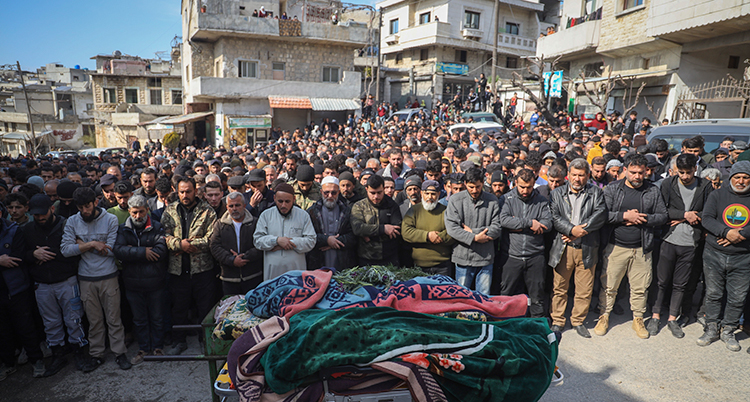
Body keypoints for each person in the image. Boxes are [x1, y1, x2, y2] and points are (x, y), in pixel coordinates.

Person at [595, 154, 668, 339]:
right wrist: (624, 216)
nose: (637, 177)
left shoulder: (652, 191)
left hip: (642, 248)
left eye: (641, 173)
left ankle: (638, 318)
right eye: (633, 172)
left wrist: (643, 218)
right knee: (609, 285)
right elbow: (602, 215)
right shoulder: (612, 189)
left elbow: (662, 216)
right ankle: (604, 315)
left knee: (640, 286)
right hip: (616, 246)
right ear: (624, 170)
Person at [60, 187, 131, 370]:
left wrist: (81, 244)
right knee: (94, 320)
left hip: (109, 276)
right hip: (86, 278)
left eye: (88, 206)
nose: (85, 211)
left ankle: (119, 352)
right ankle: (96, 354)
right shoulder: (72, 222)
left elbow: (111, 251)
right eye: (81, 207)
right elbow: (65, 250)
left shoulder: (110, 219)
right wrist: (92, 244)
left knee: (114, 318)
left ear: (95, 202)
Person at [22, 194, 92, 375]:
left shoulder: (66, 224)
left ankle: (79, 352)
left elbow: (76, 249)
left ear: (52, 209)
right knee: (50, 322)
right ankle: (57, 354)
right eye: (36, 215)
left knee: (74, 319)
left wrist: (49, 254)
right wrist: (33, 255)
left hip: (66, 280)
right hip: (42, 284)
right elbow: (21, 254)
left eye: (42, 214)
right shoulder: (28, 229)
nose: (40, 218)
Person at [649, 153, 712, 338]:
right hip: (669, 240)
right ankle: (655, 315)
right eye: (681, 172)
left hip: (691, 243)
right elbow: (662, 210)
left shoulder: (705, 186)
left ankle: (672, 318)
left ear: (695, 169)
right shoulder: (668, 184)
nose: (684, 176)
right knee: (661, 281)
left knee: (680, 284)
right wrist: (684, 215)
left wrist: (695, 216)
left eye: (688, 172)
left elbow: (708, 212)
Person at [548, 159, 607, 338]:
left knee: (584, 289)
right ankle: (558, 320)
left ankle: (578, 321)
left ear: (588, 176)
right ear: (568, 175)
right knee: (559, 287)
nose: (577, 179)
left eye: (581, 175)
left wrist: (581, 230)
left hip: (587, 247)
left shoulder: (596, 192)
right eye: (574, 175)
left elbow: (600, 214)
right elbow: (554, 216)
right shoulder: (557, 193)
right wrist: (570, 230)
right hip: (563, 247)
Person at [160, 177, 218, 356]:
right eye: (182, 191)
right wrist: (179, 245)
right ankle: (179, 341)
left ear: (196, 191)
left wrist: (188, 246)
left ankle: (205, 340)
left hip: (202, 269)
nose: (185, 195)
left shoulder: (207, 211)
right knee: (179, 307)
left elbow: (211, 238)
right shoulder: (170, 211)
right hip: (178, 269)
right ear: (176, 191)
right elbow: (164, 235)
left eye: (189, 191)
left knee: (205, 307)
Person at [696, 161, 750, 352]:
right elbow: (707, 218)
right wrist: (726, 232)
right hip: (714, 254)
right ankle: (711, 328)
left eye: (745, 177)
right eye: (737, 177)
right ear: (731, 178)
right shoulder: (717, 194)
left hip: (744, 257)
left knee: (737, 297)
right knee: (713, 294)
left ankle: (728, 330)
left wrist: (741, 235)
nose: (741, 181)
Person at [113, 195, 168, 365]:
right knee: (139, 319)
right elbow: (119, 250)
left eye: (141, 212)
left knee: (157, 316)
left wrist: (133, 251)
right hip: (133, 283)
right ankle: (143, 348)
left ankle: (158, 347)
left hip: (155, 282)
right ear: (129, 212)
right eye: (134, 212)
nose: (138, 216)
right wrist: (144, 252)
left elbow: (160, 251)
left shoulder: (157, 227)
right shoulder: (123, 229)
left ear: (147, 210)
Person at [498, 168, 552, 317]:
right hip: (511, 256)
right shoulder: (506, 199)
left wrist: (516, 226)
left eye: (529, 187)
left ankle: (538, 329)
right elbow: (504, 220)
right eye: (522, 187)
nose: (525, 190)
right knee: (506, 296)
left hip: (535, 256)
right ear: (515, 183)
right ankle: (505, 327)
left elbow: (547, 223)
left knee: (537, 297)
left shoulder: (541, 201)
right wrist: (529, 224)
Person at [0, 214, 47, 379]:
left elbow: (17, 258)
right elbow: (4, 260)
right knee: (3, 330)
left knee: (25, 326)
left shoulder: (13, 231)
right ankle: (8, 364)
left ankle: (36, 360)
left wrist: (5, 261)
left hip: (16, 287)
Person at [445, 167, 502, 295]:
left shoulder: (492, 200)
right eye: (471, 187)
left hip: (485, 258)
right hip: (463, 258)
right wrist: (475, 238)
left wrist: (472, 232)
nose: (474, 190)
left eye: (478, 186)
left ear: (483, 183)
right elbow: (452, 228)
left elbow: (497, 227)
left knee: (483, 297)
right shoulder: (456, 200)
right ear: (465, 184)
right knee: (462, 298)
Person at [253, 183, 315, 279]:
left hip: (296, 273)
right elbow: (257, 240)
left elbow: (311, 241)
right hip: (272, 274)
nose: (283, 205)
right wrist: (276, 241)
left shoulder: (303, 216)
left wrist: (288, 243)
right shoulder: (266, 215)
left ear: (294, 199)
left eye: (287, 201)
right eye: (280, 201)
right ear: (274, 198)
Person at [210, 192, 263, 295]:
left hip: (252, 276)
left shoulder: (255, 223)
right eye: (231, 206)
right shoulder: (220, 225)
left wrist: (245, 257)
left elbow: (261, 245)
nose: (234, 209)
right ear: (227, 207)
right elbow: (214, 246)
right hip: (229, 279)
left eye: (237, 205)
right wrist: (231, 260)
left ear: (244, 205)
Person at [402, 180, 454, 275]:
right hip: (419, 265)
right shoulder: (414, 210)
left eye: (433, 194)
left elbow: (453, 232)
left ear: (438, 194)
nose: (430, 197)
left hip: (442, 266)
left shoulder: (446, 211)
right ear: (421, 193)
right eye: (427, 193)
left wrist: (438, 237)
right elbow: (406, 232)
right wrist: (427, 236)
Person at [350, 175, 403, 266]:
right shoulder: (359, 206)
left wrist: (368, 232)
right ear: (366, 189)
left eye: (379, 192)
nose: (376, 197)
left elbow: (395, 230)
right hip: (366, 257)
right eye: (372, 193)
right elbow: (357, 228)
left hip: (389, 257)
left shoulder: (392, 205)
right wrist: (383, 229)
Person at [306, 176, 357, 270]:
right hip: (318, 261)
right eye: (326, 192)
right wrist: (326, 240)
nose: (330, 196)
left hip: (342, 261)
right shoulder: (312, 212)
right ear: (321, 192)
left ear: (338, 192)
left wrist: (335, 242)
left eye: (333, 193)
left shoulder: (347, 211)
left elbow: (353, 236)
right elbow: (307, 236)